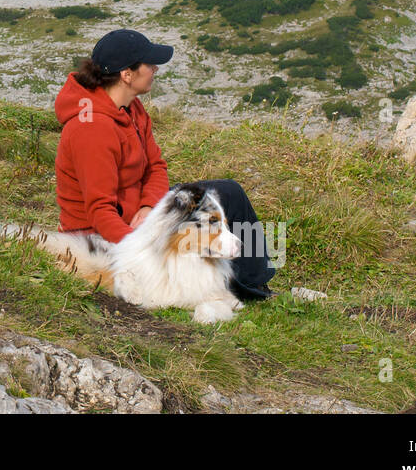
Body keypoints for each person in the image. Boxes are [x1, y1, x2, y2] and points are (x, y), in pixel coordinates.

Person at [54, 29, 274, 300]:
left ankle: (255, 283)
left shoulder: (132, 108)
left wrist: (149, 207)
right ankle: (234, 288)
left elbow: (156, 165)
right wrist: (143, 247)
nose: (155, 69)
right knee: (200, 217)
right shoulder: (91, 129)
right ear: (127, 74)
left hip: (139, 213)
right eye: (149, 64)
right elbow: (99, 210)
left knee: (230, 193)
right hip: (104, 231)